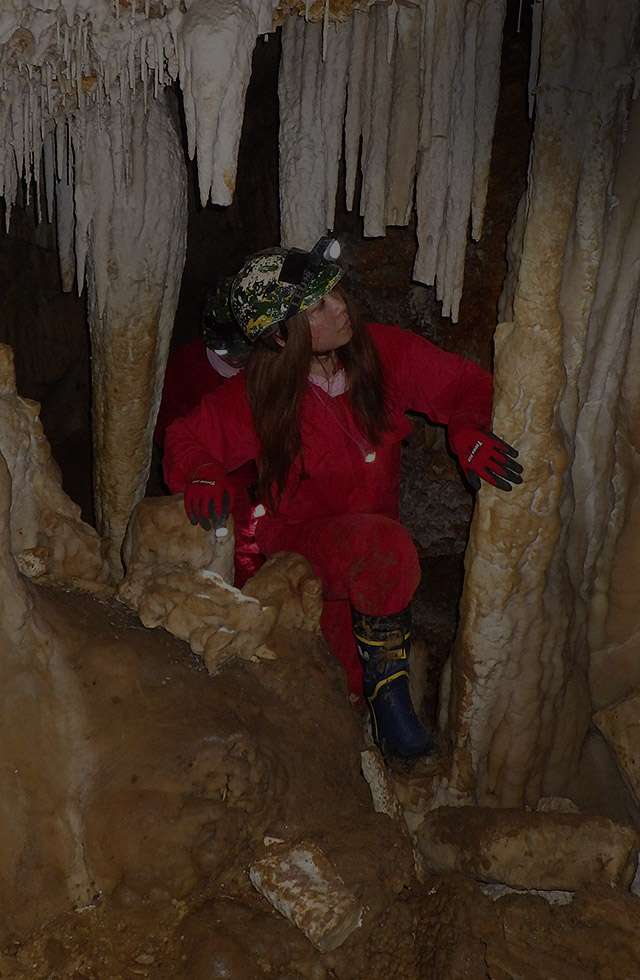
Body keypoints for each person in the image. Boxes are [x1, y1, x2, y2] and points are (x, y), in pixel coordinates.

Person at [163, 239, 523, 760]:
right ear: (281, 337)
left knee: (343, 692)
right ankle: (389, 697)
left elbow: (466, 384)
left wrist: (468, 430)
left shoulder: (383, 355)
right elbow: (185, 437)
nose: (340, 306)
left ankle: (376, 711)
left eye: (334, 293)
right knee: (330, 676)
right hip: (298, 547)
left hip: (368, 553)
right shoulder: (261, 396)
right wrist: (199, 472)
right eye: (318, 307)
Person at [154, 280, 264, 588]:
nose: (235, 359)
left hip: (260, 480)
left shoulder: (269, 369)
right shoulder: (188, 364)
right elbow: (167, 426)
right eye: (226, 351)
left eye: (243, 351)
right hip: (210, 480)